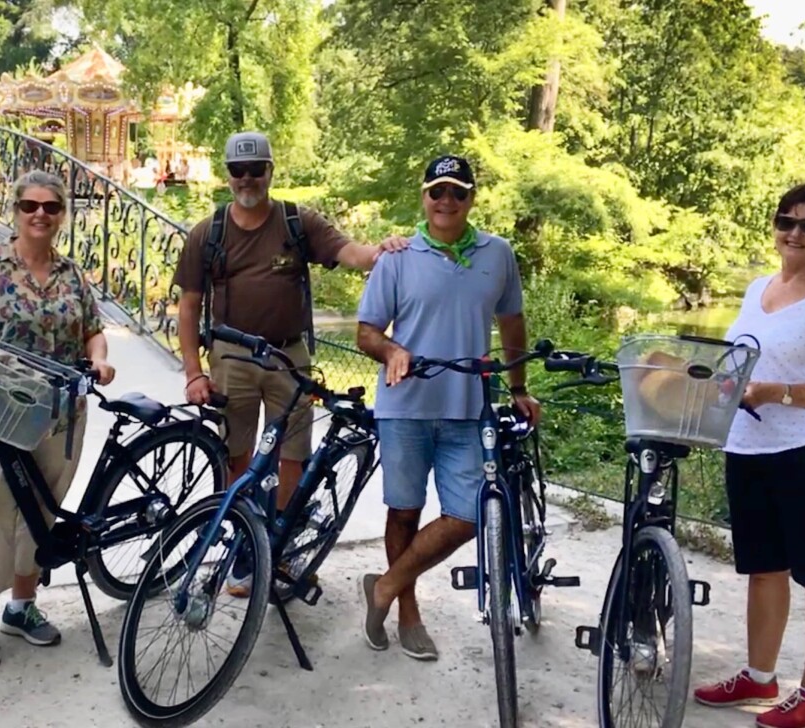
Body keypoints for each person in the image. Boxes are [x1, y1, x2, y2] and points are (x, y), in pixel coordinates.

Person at [171, 131, 407, 597]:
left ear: (270, 171)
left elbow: (350, 253)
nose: (247, 179)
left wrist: (382, 250)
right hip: (231, 356)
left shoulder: (298, 221)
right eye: (238, 171)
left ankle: (280, 545)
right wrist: (194, 372)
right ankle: (245, 545)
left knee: (293, 456)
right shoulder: (208, 232)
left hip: (288, 356)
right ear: (228, 175)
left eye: (255, 169)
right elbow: (188, 306)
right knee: (237, 457)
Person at [693, 184, 805, 728]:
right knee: (764, 571)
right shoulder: (756, 290)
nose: (794, 233)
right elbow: (737, 365)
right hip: (750, 449)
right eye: (785, 221)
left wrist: (779, 392)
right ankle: (759, 676)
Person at [354, 154, 541, 661]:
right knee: (404, 511)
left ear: (471, 199)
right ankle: (409, 613)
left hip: (468, 408)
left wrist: (519, 386)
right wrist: (392, 350)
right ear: (424, 196)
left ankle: (384, 586)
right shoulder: (396, 257)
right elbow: (366, 331)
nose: (447, 201)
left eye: (458, 192)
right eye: (437, 191)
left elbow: (512, 322)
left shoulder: (497, 253)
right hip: (404, 407)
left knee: (468, 514)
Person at [0, 170, 117, 668]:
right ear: (15, 210)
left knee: (42, 508)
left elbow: (93, 331)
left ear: (62, 216)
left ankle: (23, 605)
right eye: (30, 205)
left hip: (59, 412)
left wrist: (99, 358)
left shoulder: (72, 275)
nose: (40, 214)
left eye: (51, 207)